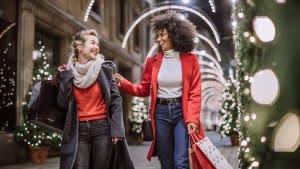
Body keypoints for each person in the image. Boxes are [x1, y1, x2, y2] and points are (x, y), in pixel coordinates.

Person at [115, 11, 205, 169]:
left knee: (181, 161)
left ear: (174, 34)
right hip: (160, 114)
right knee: (166, 162)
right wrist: (124, 83)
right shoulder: (153, 61)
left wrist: (192, 119)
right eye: (157, 35)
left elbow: (194, 93)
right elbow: (144, 89)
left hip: (181, 114)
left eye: (163, 34)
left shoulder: (191, 60)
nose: (159, 39)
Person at [57, 29, 128, 169]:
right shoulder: (67, 72)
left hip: (103, 129)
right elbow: (62, 103)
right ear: (79, 47)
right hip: (78, 130)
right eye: (92, 43)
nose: (97, 47)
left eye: (98, 44)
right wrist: (64, 78)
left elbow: (116, 101)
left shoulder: (104, 69)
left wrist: (117, 129)